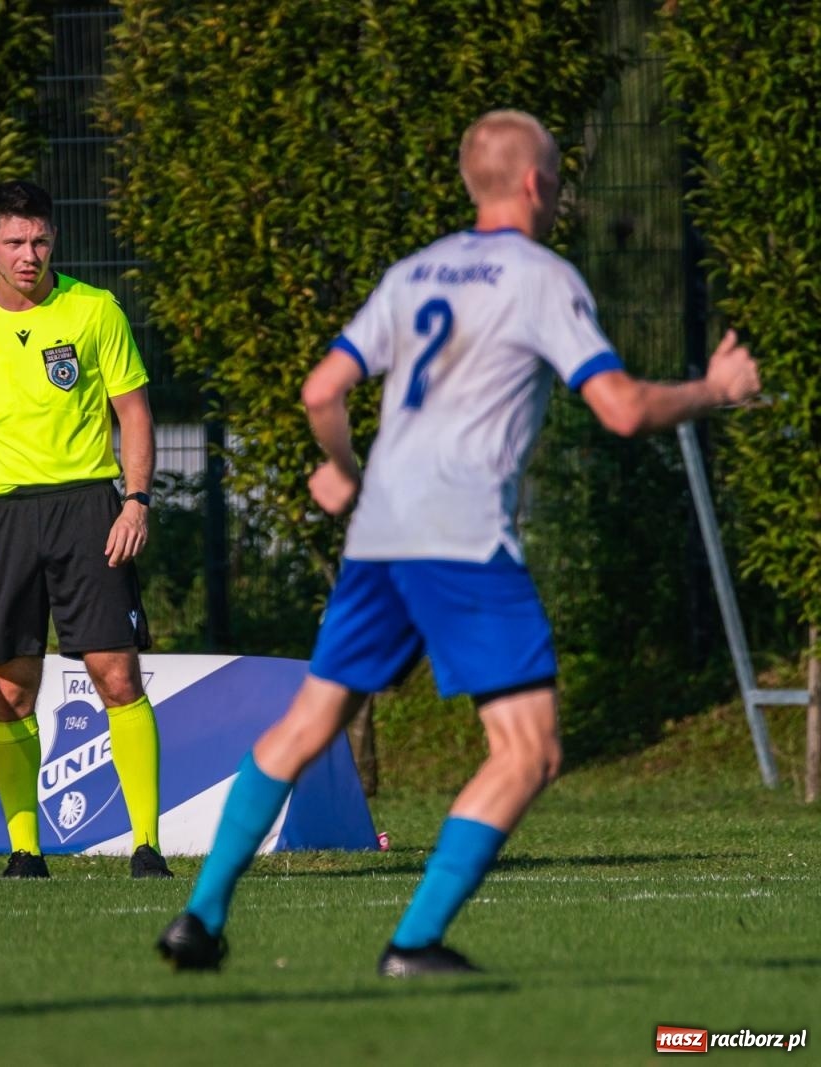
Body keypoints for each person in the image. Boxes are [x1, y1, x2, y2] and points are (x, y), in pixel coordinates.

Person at [156, 109, 761, 975]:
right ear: (531, 184)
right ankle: (415, 940)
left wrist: (348, 471)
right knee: (530, 748)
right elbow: (622, 408)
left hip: (382, 533)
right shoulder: (541, 276)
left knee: (309, 721)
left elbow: (321, 387)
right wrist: (713, 387)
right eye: (555, 177)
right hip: (462, 536)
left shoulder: (414, 272)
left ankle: (201, 916)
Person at [0, 179, 169, 879]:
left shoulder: (93, 311)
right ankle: (25, 852)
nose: (30, 255)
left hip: (89, 506)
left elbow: (135, 412)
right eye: (16, 242)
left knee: (117, 673)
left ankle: (146, 845)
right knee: (11, 688)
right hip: (1, 516)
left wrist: (136, 500)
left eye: (41, 241)